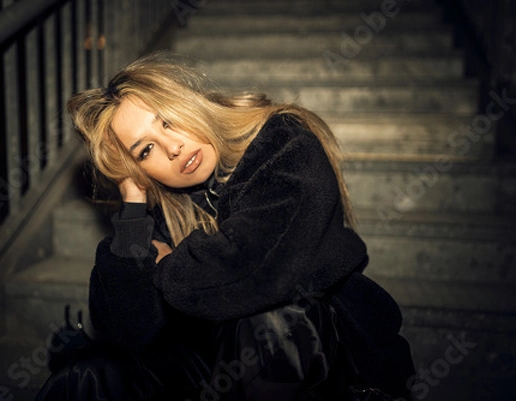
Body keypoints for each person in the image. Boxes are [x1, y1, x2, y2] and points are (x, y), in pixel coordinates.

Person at [36, 52, 415, 401]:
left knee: (273, 319)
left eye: (167, 120)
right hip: (224, 368)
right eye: (145, 150)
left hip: (326, 362)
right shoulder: (166, 206)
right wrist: (133, 203)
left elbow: (259, 268)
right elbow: (125, 329)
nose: (172, 147)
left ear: (189, 102)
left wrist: (167, 268)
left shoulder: (284, 143)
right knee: (87, 377)